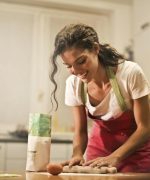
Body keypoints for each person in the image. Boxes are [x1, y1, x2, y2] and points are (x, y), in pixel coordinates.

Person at [50, 23, 150, 172]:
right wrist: (77, 154)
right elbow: (81, 131)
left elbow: (145, 128)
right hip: (99, 151)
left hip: (136, 152)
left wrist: (115, 157)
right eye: (68, 65)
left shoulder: (130, 73)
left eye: (81, 61)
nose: (76, 71)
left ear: (96, 49)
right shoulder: (74, 84)